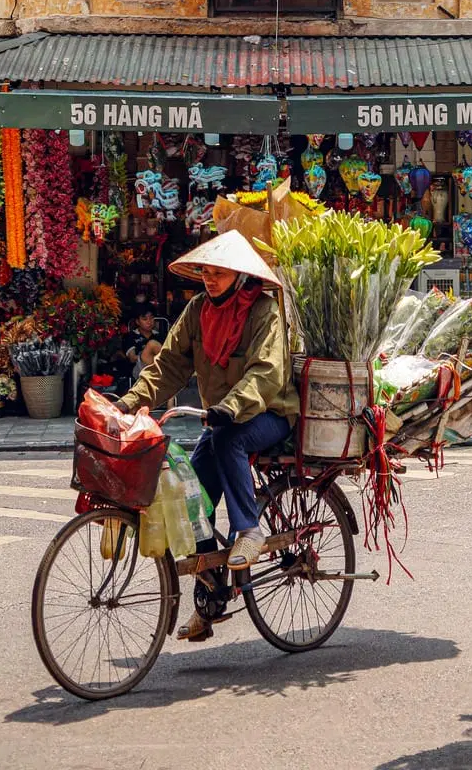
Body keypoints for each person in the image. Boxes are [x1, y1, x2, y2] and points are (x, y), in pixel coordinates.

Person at [115, 230, 294, 642]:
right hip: (221, 417)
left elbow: (267, 373)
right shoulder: (197, 311)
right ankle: (208, 603)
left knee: (228, 440)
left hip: (269, 413)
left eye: (219, 273)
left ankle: (249, 529)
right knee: (193, 496)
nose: (210, 280)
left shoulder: (263, 311)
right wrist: (128, 402)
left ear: (238, 274)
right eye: (206, 272)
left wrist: (230, 407)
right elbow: (168, 367)